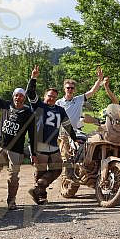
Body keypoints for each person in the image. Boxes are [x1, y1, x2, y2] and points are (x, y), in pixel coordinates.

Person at [0, 65, 36, 211]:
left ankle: (11, 201)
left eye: (21, 96)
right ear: (13, 96)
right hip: (0, 146)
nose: (18, 98)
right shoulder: (5, 106)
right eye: (16, 95)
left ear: (24, 98)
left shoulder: (28, 113)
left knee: (13, 177)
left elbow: (32, 135)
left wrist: (33, 153)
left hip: (16, 150)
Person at [25, 66, 79, 205]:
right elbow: (30, 92)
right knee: (41, 171)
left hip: (54, 145)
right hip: (40, 144)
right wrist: (33, 78)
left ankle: (37, 188)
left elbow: (67, 125)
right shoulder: (38, 106)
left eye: (54, 97)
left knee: (57, 169)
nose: (51, 99)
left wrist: (74, 138)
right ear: (44, 96)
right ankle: (40, 196)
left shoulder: (60, 110)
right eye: (49, 96)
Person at [55, 67, 104, 162]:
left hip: (77, 131)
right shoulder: (58, 103)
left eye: (72, 88)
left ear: (74, 90)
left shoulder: (79, 99)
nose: (70, 89)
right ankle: (67, 170)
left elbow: (92, 91)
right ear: (64, 89)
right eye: (68, 88)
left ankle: (81, 168)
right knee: (66, 157)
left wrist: (99, 80)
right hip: (64, 133)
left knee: (84, 149)